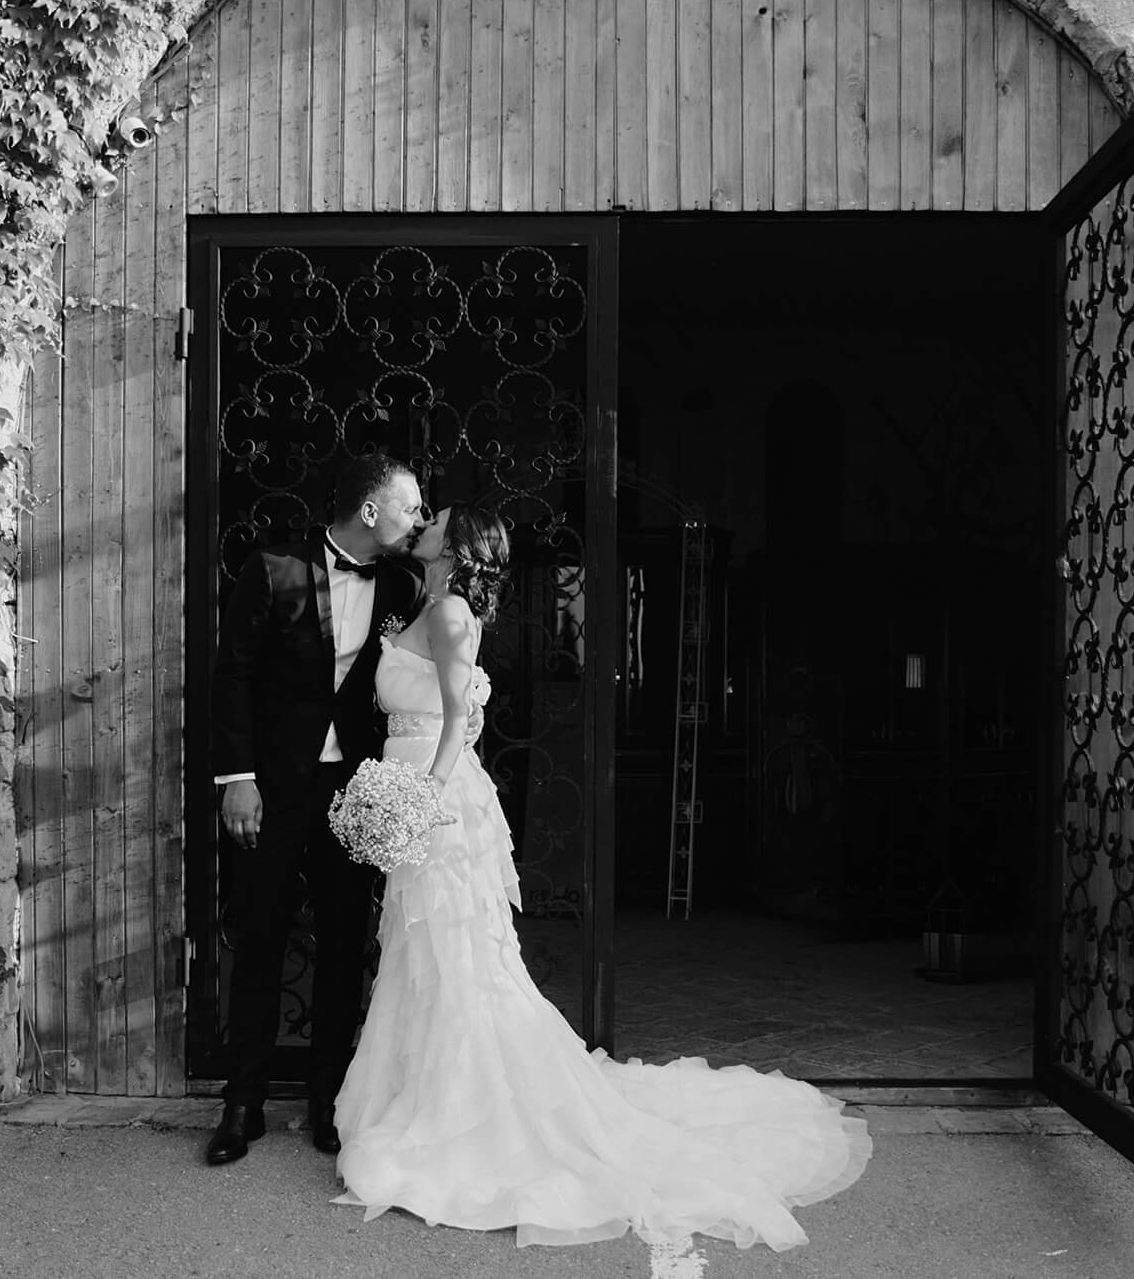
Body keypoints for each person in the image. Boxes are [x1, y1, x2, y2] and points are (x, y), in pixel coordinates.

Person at [333, 504, 872, 1250]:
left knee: (460, 958)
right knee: (423, 957)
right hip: (413, 791)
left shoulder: (452, 613)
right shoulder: (425, 601)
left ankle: (468, 1118)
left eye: (439, 519)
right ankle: (419, 1098)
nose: (424, 520)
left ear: (456, 548)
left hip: (438, 804)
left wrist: (418, 801)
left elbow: (460, 721)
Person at [207, 453, 427, 1166]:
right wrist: (237, 778)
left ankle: (332, 1100)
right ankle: (242, 1102)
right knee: (260, 937)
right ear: (371, 511)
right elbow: (232, 675)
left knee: (342, 946)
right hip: (271, 786)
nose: (418, 517)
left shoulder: (403, 581)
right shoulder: (273, 567)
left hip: (355, 790)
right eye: (409, 505)